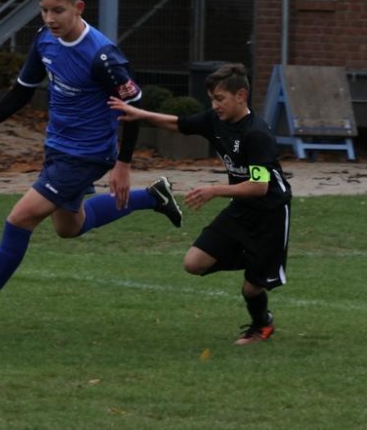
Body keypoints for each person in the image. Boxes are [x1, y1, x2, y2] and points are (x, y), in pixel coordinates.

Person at [0, 0, 182, 329]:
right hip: (57, 147)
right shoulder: (44, 40)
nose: (50, 18)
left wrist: (123, 164)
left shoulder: (103, 56)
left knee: (20, 218)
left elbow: (134, 107)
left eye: (58, 10)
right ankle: (153, 197)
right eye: (44, 10)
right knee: (69, 226)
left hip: (87, 154)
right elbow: (21, 92)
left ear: (78, 8)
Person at [109, 63, 292, 345]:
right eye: (212, 99)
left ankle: (262, 325)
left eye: (220, 99)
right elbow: (178, 124)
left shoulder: (256, 134)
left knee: (251, 289)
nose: (214, 105)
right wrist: (140, 115)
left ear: (241, 95)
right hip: (241, 209)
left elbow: (259, 186)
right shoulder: (216, 121)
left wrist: (214, 190)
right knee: (193, 263)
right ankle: (253, 258)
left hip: (270, 215)